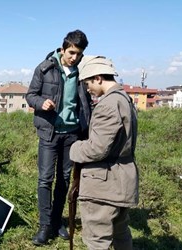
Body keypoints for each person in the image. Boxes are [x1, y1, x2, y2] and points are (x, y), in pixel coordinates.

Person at [25, 29, 92, 245]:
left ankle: (57, 221)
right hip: (49, 132)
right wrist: (40, 103)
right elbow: (30, 95)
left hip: (72, 134)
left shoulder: (82, 72)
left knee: (64, 180)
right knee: (45, 179)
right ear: (62, 49)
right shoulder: (45, 68)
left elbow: (85, 101)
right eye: (71, 52)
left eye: (79, 54)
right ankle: (45, 226)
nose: (74, 57)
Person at [70, 56, 138, 249]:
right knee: (120, 233)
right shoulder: (124, 99)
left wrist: (75, 148)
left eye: (87, 83)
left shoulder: (108, 104)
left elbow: (97, 149)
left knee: (96, 240)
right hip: (121, 180)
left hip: (104, 185)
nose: (87, 88)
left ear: (98, 78)